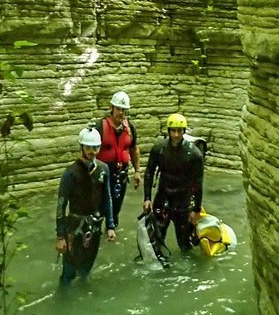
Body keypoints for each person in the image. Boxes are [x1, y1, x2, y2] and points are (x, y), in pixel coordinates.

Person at [55, 127, 116, 286]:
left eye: (96, 147)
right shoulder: (70, 173)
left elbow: (107, 198)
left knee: (86, 268)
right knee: (69, 272)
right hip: (74, 228)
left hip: (94, 226)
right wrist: (60, 236)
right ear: (81, 147)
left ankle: (82, 295)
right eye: (88, 147)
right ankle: (64, 300)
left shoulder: (103, 169)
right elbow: (61, 205)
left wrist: (110, 225)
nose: (92, 151)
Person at [143, 113, 204, 252]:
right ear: (168, 131)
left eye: (179, 131)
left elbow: (198, 183)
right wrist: (147, 198)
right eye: (173, 131)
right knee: (156, 241)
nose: (176, 135)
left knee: (184, 245)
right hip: (163, 198)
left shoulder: (194, 154)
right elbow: (149, 173)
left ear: (184, 131)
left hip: (183, 202)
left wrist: (196, 209)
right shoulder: (159, 149)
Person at [95, 91, 141, 227]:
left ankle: (111, 233)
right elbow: (89, 152)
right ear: (112, 108)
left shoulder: (129, 127)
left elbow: (134, 149)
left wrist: (137, 171)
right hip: (102, 176)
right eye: (118, 109)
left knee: (115, 210)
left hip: (120, 175)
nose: (121, 112)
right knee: (98, 210)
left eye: (124, 110)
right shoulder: (100, 127)